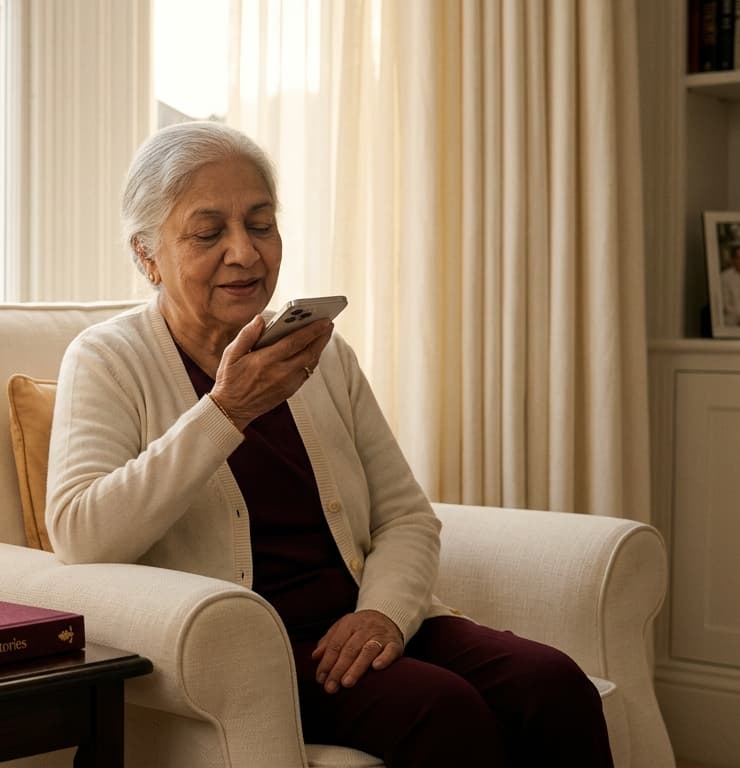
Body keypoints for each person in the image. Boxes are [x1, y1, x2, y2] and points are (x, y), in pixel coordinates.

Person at [45, 121, 612, 767]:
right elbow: (80, 534)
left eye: (260, 224)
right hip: (251, 651)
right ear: (147, 254)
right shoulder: (108, 359)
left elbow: (405, 515)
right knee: (442, 711)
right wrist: (226, 411)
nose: (245, 253)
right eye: (209, 233)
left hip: (362, 620)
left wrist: (384, 617)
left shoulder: (321, 352)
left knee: (553, 686)